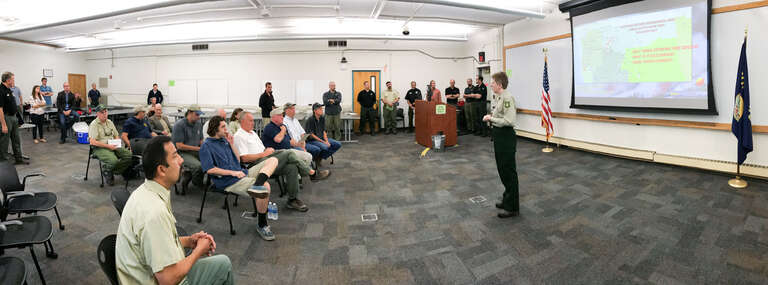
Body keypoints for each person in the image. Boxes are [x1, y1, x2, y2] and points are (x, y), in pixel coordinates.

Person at [116, 136, 234, 285]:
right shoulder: (154, 213)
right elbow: (168, 279)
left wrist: (189, 241)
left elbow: (156, 244)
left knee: (221, 264)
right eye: (175, 156)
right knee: (224, 265)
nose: (181, 160)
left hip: (143, 273)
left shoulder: (145, 192)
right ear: (162, 170)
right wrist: (198, 251)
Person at [200, 116, 277, 241]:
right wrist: (233, 173)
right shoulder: (206, 146)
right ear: (215, 129)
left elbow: (237, 159)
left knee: (273, 159)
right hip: (229, 181)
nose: (227, 129)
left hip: (241, 172)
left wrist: (231, 144)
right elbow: (210, 170)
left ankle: (257, 184)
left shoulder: (225, 141)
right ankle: (262, 224)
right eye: (223, 127)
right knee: (266, 187)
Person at [235, 112, 328, 213]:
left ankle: (292, 200)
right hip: (256, 164)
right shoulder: (239, 136)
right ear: (243, 121)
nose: (253, 123)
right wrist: (264, 154)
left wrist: (267, 151)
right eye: (251, 120)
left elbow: (261, 149)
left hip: (266, 158)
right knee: (288, 153)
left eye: (253, 120)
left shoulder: (252, 133)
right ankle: (312, 173)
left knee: (292, 167)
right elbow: (243, 158)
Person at [482, 72, 519, 219]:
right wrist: (493, 118)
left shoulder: (507, 98)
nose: (490, 84)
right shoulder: (499, 97)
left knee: (508, 171)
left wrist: (491, 118)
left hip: (506, 137)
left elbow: (510, 121)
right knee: (502, 169)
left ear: (499, 84)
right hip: (499, 137)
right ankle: (507, 199)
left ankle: (512, 208)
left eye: (493, 82)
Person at [89, 105, 133, 186]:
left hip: (112, 144)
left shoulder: (109, 122)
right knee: (113, 160)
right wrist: (108, 146)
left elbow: (116, 134)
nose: (105, 114)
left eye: (106, 112)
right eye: (102, 112)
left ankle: (111, 171)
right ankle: (107, 169)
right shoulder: (94, 124)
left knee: (129, 155)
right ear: (97, 114)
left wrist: (116, 142)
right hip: (99, 147)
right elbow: (93, 142)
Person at [172, 105, 205, 193]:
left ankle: (190, 175)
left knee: (210, 160)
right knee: (198, 166)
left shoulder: (198, 124)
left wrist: (205, 148)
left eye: (199, 115)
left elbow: (201, 140)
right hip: (181, 153)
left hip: (195, 151)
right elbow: (179, 146)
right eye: (197, 114)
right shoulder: (179, 125)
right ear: (189, 113)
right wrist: (197, 148)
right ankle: (196, 182)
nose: (198, 117)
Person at [0, 72, 25, 164]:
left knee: (16, 139)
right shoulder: (1, 90)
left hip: (14, 117)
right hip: (6, 118)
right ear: (8, 80)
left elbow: (13, 105)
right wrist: (3, 125)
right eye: (13, 79)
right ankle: (3, 163)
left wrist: (18, 119)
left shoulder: (9, 90)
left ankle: (19, 159)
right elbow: (0, 109)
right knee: (4, 141)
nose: (14, 81)